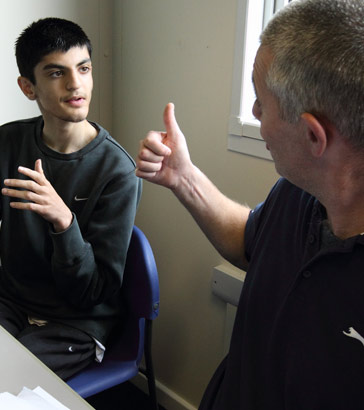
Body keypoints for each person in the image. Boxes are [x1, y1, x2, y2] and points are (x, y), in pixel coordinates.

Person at [136, 0, 364, 408]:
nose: (255, 113)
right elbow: (251, 243)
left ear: (314, 136)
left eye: (261, 102)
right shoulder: (299, 189)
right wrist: (184, 178)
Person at [0, 17, 141, 380]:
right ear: (28, 87)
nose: (75, 84)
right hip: (12, 302)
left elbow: (94, 292)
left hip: (77, 322)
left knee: (7, 380)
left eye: (83, 68)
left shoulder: (117, 171)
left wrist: (64, 221)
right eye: (55, 73)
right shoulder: (9, 143)